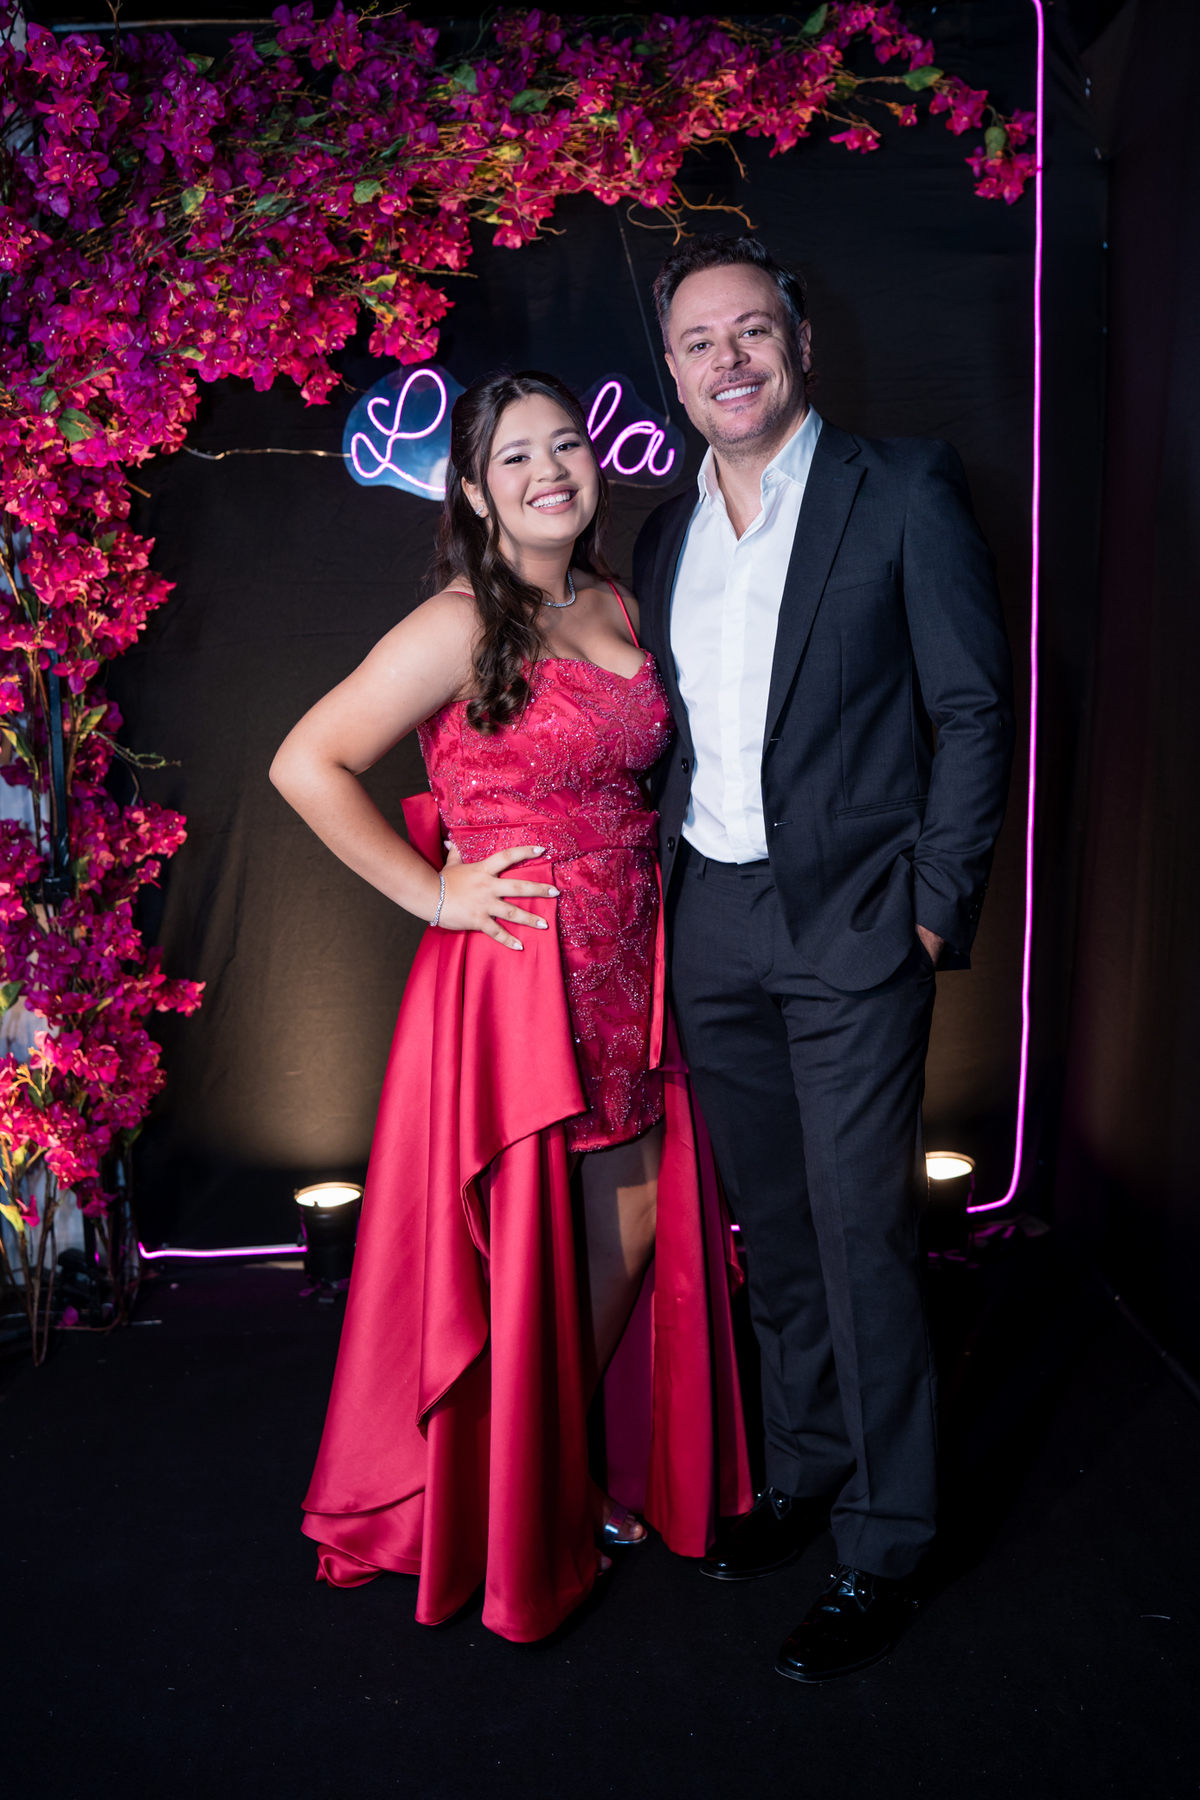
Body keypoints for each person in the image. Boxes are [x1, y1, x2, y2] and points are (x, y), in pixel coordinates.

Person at [270, 369, 750, 1644]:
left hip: (634, 956)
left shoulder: (618, 601)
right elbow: (306, 762)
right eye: (518, 457)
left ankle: (542, 1457)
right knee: (522, 1238)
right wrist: (432, 893)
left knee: (629, 1222)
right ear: (476, 493)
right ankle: (522, 1489)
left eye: (568, 445)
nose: (552, 471)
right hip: (520, 974)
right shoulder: (457, 623)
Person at [633, 236, 1015, 1682]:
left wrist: (931, 907)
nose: (727, 359)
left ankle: (890, 1540)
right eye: (698, 343)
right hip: (713, 921)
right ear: (673, 376)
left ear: (798, 343)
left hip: (856, 921)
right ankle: (805, 1469)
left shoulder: (900, 486)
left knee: (864, 1236)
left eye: (750, 331)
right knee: (779, 1232)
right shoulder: (663, 537)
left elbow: (973, 708)